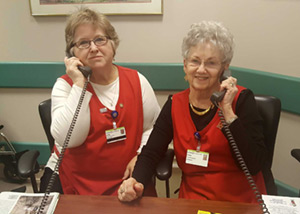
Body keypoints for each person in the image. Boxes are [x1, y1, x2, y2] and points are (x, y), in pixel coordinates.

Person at [118, 21, 267, 203]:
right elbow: (152, 152)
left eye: (211, 63)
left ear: (224, 68)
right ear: (185, 65)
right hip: (193, 202)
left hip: (240, 203)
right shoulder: (175, 104)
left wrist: (227, 112)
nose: (201, 69)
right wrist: (136, 181)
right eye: (195, 61)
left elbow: (253, 165)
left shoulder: (241, 100)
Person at [39, 8, 160, 195]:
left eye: (100, 39)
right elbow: (70, 139)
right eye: (83, 43)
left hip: (127, 180)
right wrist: (80, 84)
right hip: (75, 181)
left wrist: (140, 155)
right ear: (72, 52)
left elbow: (152, 128)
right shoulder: (65, 86)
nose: (94, 48)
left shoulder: (138, 81)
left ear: (113, 44)